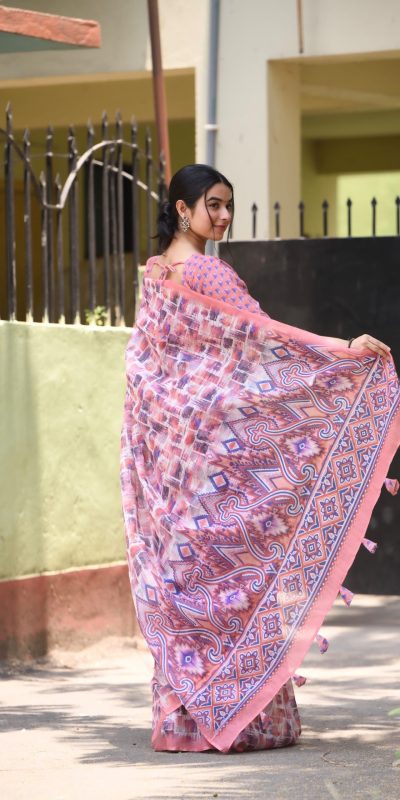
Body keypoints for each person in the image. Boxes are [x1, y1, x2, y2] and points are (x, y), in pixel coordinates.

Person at [120, 164, 400, 753]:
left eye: (228, 205)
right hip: (208, 462)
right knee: (227, 582)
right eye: (213, 204)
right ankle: (244, 719)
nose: (223, 216)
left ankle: (185, 723)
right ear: (182, 209)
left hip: (174, 466)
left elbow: (159, 379)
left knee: (190, 582)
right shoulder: (205, 272)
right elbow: (268, 340)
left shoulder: (155, 276)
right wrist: (343, 351)